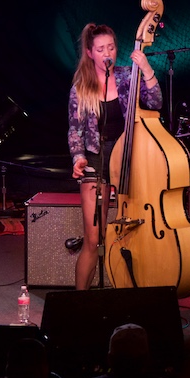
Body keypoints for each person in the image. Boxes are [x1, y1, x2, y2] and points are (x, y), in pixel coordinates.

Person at [68, 23, 161, 290]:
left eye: (111, 47)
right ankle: (80, 301)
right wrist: (78, 158)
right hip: (95, 160)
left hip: (128, 158)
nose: (107, 53)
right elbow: (75, 131)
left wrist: (146, 69)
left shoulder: (127, 77)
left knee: (130, 232)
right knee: (93, 237)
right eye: (100, 49)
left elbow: (155, 103)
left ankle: (132, 292)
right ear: (90, 53)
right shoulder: (80, 88)